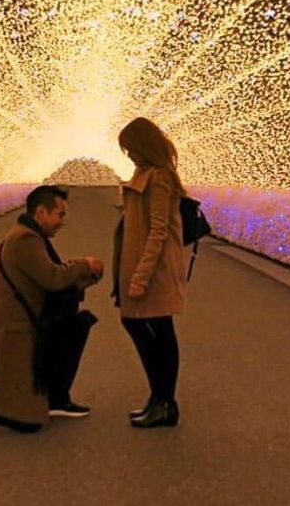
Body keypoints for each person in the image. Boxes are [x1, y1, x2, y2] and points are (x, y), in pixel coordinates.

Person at [0, 185, 104, 433]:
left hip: (25, 328)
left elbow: (48, 281)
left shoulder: (32, 236)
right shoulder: (25, 240)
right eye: (59, 214)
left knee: (28, 403)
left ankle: (53, 400)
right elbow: (52, 278)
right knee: (23, 420)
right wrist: (84, 265)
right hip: (15, 334)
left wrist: (84, 276)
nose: (62, 221)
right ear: (40, 213)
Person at [113, 117, 186, 428]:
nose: (128, 154)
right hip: (142, 265)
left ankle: (164, 401)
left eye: (130, 148)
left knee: (152, 328)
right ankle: (160, 400)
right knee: (154, 329)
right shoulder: (143, 174)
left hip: (154, 269)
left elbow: (158, 232)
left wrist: (141, 276)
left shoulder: (158, 178)